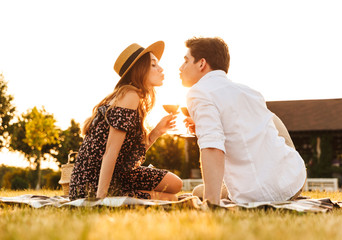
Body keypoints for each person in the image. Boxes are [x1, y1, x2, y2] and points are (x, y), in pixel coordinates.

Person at [179, 37, 306, 205]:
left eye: (186, 61)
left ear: (202, 64)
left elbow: (212, 147)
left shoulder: (199, 92)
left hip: (259, 195)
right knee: (269, 118)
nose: (180, 67)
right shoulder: (250, 92)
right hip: (294, 181)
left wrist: (211, 203)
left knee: (198, 192)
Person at [69, 41, 183, 201]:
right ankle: (114, 194)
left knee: (175, 184)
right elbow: (110, 152)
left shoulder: (130, 96)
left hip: (118, 173)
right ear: (140, 70)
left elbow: (128, 157)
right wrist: (100, 199)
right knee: (172, 198)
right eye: (153, 64)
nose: (161, 68)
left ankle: (126, 192)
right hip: (92, 183)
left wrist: (157, 131)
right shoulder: (130, 96)